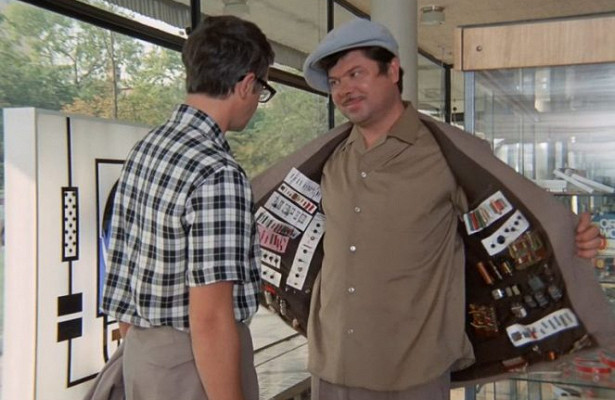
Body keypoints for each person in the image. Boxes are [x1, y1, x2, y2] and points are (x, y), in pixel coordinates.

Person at [301, 18, 602, 400]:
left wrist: (574, 236)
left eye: (355, 74)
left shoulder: (449, 152)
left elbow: (523, 210)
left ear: (392, 70)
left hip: (411, 373)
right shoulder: (331, 158)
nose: (344, 90)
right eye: (335, 82)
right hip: (331, 367)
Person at [101, 15, 275, 400]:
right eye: (262, 89)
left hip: (141, 355)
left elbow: (123, 264)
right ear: (246, 84)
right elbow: (211, 319)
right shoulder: (217, 173)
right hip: (194, 368)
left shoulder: (148, 148)